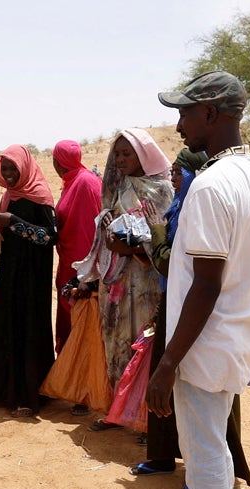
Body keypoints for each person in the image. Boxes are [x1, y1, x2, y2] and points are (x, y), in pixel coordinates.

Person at [144, 71, 250, 489]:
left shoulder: (209, 186)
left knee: (201, 451)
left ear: (212, 114)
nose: (178, 124)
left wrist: (168, 363)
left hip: (204, 343)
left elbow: (205, 286)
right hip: (234, 335)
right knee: (213, 440)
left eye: (185, 112)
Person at [131, 150, 250, 489]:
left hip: (199, 312)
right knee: (166, 384)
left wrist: (155, 233)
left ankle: (206, 482)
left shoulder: (201, 206)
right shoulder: (180, 206)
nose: (172, 179)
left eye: (178, 173)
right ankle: (164, 456)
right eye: (171, 172)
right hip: (172, 307)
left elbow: (173, 264)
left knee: (204, 398)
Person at [74, 129, 173, 431]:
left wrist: (130, 248)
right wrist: (105, 219)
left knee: (143, 346)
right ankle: (119, 412)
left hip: (145, 284)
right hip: (117, 284)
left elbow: (165, 237)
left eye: (126, 153)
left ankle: (147, 420)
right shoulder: (119, 187)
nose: (119, 160)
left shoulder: (163, 190)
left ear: (143, 155)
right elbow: (113, 220)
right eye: (116, 154)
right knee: (116, 345)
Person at [0, 145, 58, 417]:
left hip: (32, 277)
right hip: (10, 274)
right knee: (8, 328)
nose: (9, 174)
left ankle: (30, 394)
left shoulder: (40, 195)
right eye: (5, 169)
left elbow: (50, 236)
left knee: (29, 329)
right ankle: (7, 392)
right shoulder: (9, 196)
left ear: (25, 167)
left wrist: (13, 222)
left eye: (13, 168)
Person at [52, 140, 103, 353]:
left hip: (82, 267)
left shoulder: (85, 183)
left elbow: (90, 230)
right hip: (69, 263)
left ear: (57, 161)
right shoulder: (74, 181)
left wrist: (86, 275)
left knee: (81, 319)